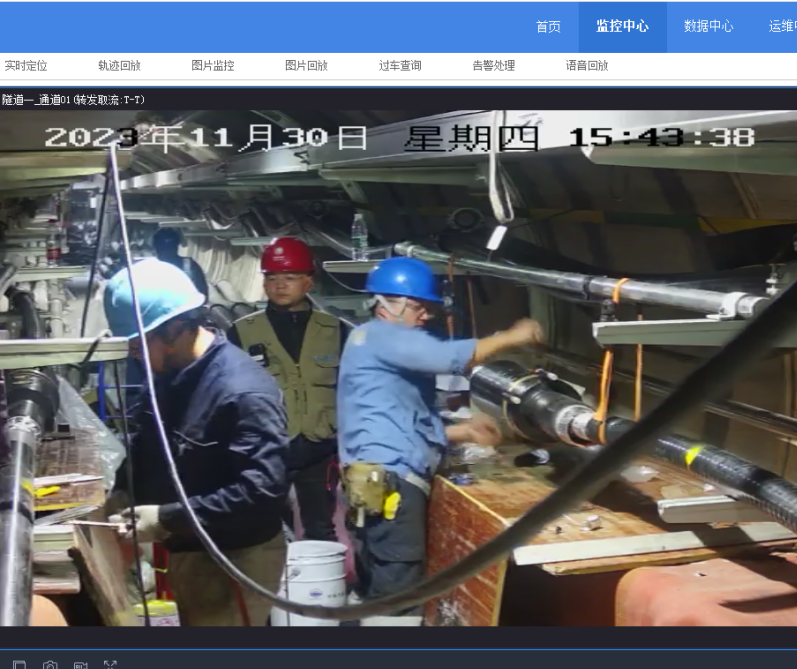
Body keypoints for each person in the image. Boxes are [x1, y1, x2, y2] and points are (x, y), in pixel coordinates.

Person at [338, 256, 544, 621]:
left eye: (427, 309)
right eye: (418, 307)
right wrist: (514, 336)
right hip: (392, 480)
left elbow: (396, 420)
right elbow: (447, 357)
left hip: (372, 477)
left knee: (379, 572)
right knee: (399, 584)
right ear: (386, 304)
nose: (425, 316)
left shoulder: (366, 338)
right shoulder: (385, 336)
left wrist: (462, 432)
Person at [103, 257, 289, 627]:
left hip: (235, 558)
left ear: (176, 330)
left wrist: (167, 517)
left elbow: (262, 491)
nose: (134, 353)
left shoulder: (242, 392)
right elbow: (150, 441)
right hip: (190, 546)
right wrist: (122, 490)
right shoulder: (172, 374)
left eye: (139, 343)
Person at [228, 237, 346, 542]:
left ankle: (320, 572)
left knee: (321, 528)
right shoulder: (241, 332)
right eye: (272, 278)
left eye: (290, 277)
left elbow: (352, 390)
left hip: (319, 448)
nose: (280, 285)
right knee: (267, 529)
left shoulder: (335, 330)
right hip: (268, 448)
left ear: (308, 282)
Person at [152, 227, 210, 299]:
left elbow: (203, 294)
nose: (167, 251)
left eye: (170, 246)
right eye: (164, 247)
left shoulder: (190, 266)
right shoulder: (150, 268)